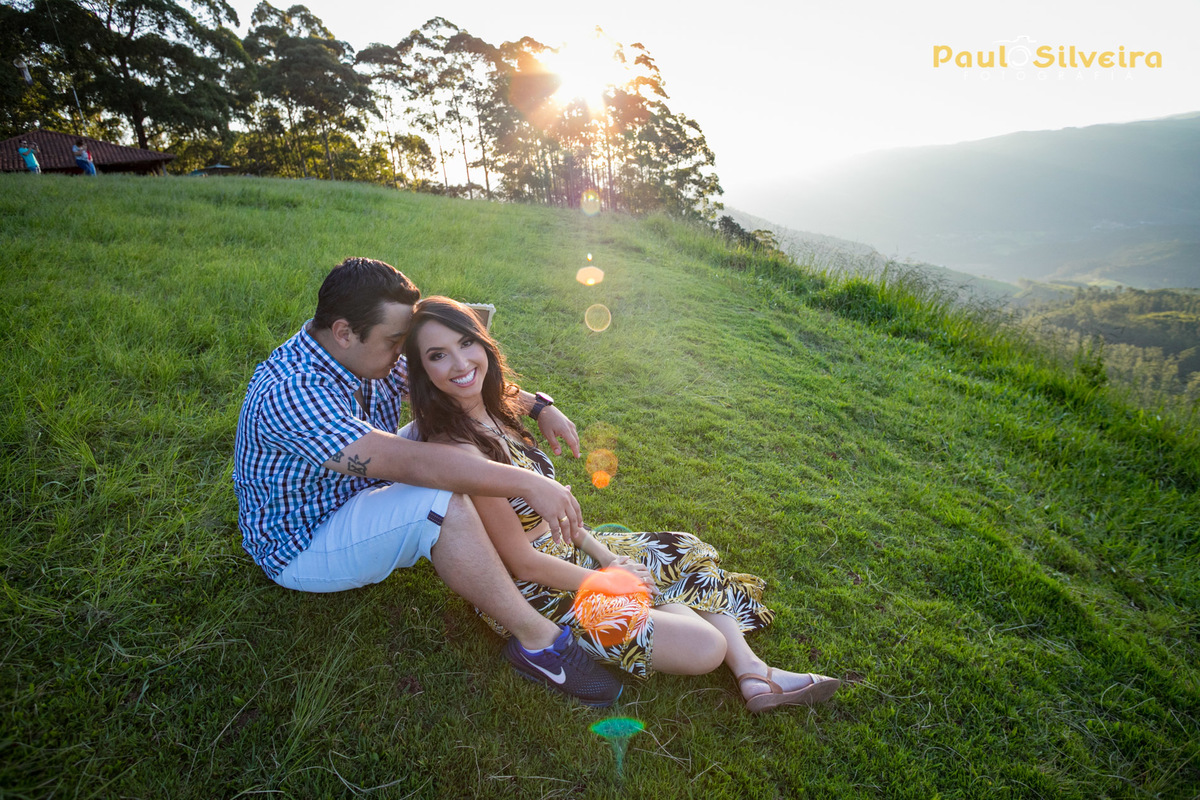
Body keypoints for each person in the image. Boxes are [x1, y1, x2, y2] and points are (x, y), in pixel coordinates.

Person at [403, 296, 842, 712]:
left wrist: (610, 557)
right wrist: (612, 580)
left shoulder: (496, 407)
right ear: (423, 371)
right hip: (542, 592)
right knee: (707, 646)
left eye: (466, 343)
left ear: (483, 343)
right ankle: (710, 645)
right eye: (438, 355)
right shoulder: (459, 450)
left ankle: (754, 673)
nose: (461, 364)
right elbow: (522, 563)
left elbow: (556, 507)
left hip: (570, 552)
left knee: (682, 550)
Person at [233, 257, 623, 707]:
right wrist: (526, 483)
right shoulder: (291, 389)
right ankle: (539, 642)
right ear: (344, 332)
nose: (402, 352)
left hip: (355, 493)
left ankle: (506, 539)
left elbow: (453, 382)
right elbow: (410, 464)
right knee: (441, 498)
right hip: (304, 542)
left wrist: (538, 406)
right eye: (394, 341)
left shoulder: (365, 353)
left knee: (447, 416)